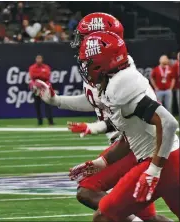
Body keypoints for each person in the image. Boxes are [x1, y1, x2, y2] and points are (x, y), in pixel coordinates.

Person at [30, 12, 171, 222]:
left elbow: (146, 118)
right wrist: (56, 101)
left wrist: (94, 129)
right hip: (128, 144)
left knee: (92, 195)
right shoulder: (102, 68)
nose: (79, 43)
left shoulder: (120, 75)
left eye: (85, 38)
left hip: (135, 146)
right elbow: (94, 100)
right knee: (146, 217)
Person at [69, 31, 179, 222]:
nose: (85, 68)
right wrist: (101, 163)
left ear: (103, 62)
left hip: (162, 161)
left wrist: (154, 170)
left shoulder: (121, 85)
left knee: (104, 216)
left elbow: (168, 123)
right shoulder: (116, 80)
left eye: (88, 63)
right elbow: (130, 137)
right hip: (168, 159)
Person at [28, 55, 54, 125]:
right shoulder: (32, 67)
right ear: (36, 59)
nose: (39, 60)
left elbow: (47, 76)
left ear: (42, 59)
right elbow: (32, 76)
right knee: (37, 106)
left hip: (45, 88)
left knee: (48, 105)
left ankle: (50, 121)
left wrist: (38, 76)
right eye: (38, 59)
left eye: (40, 58)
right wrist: (41, 75)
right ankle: (40, 122)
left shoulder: (46, 67)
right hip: (36, 89)